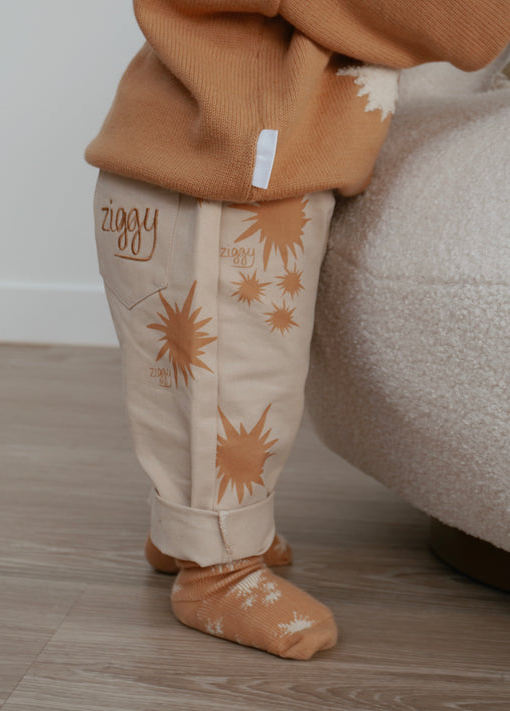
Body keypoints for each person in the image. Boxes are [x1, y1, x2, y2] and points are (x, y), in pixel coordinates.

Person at [85, 1, 510, 660]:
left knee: (234, 381)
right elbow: (459, 24)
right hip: (219, 182)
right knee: (232, 382)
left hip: (236, 175)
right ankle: (216, 570)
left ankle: (189, 530)